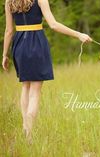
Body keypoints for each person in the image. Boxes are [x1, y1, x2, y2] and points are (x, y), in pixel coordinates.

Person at [2, 0, 92, 142]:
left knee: (25, 86)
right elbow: (53, 24)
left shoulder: (9, 1)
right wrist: (78, 34)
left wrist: (4, 55)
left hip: (19, 45)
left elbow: (9, 31)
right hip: (36, 43)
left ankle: (25, 128)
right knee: (35, 91)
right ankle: (29, 134)